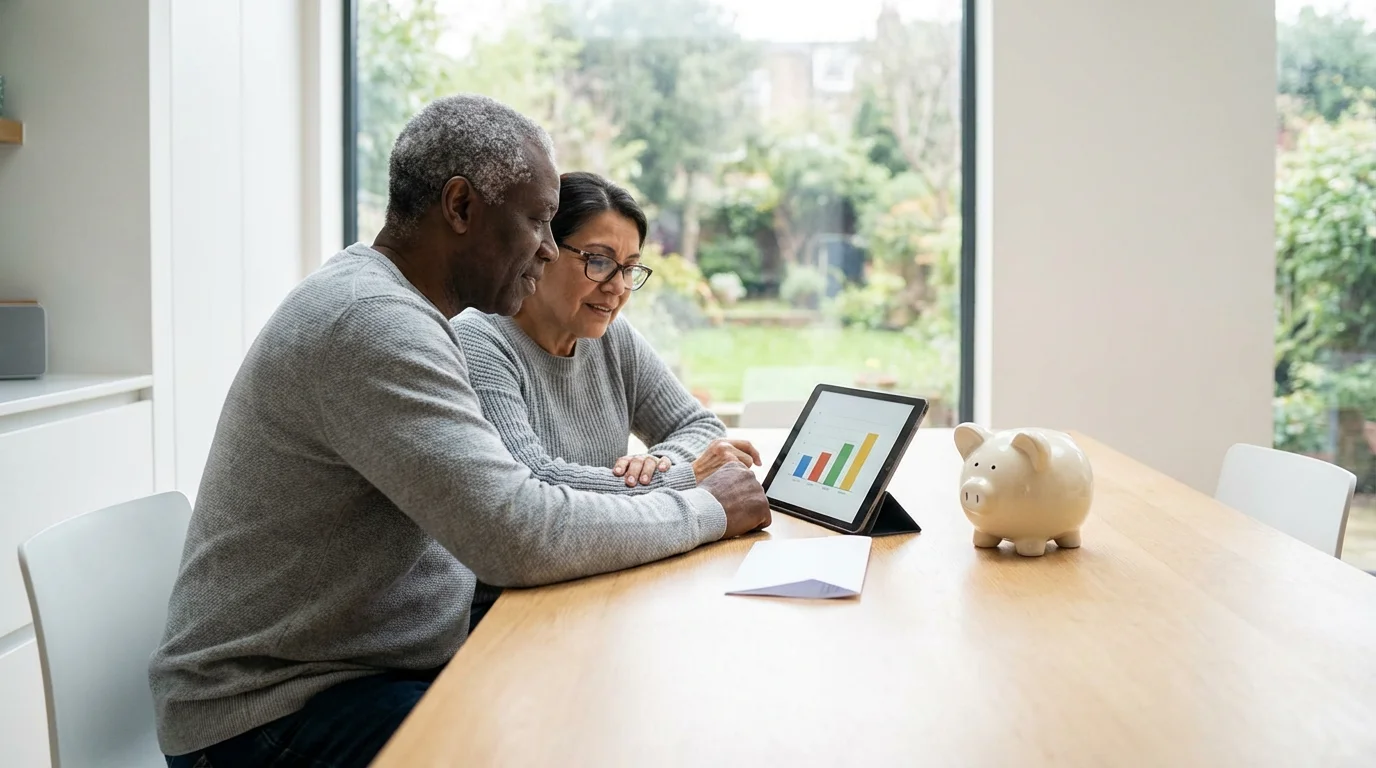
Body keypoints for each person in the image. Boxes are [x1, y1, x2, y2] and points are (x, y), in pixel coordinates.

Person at [147, 94, 771, 768]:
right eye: (536, 221)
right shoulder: (373, 323)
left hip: (370, 671)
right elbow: (516, 532)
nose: (544, 248)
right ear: (461, 207)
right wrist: (704, 507)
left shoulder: (403, 310)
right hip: (274, 713)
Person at [453, 171, 760, 498]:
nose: (617, 287)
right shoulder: (478, 342)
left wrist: (660, 463)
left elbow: (700, 427)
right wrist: (687, 475)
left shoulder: (611, 336)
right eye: (599, 261)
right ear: (540, 251)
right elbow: (531, 485)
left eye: (629, 268)